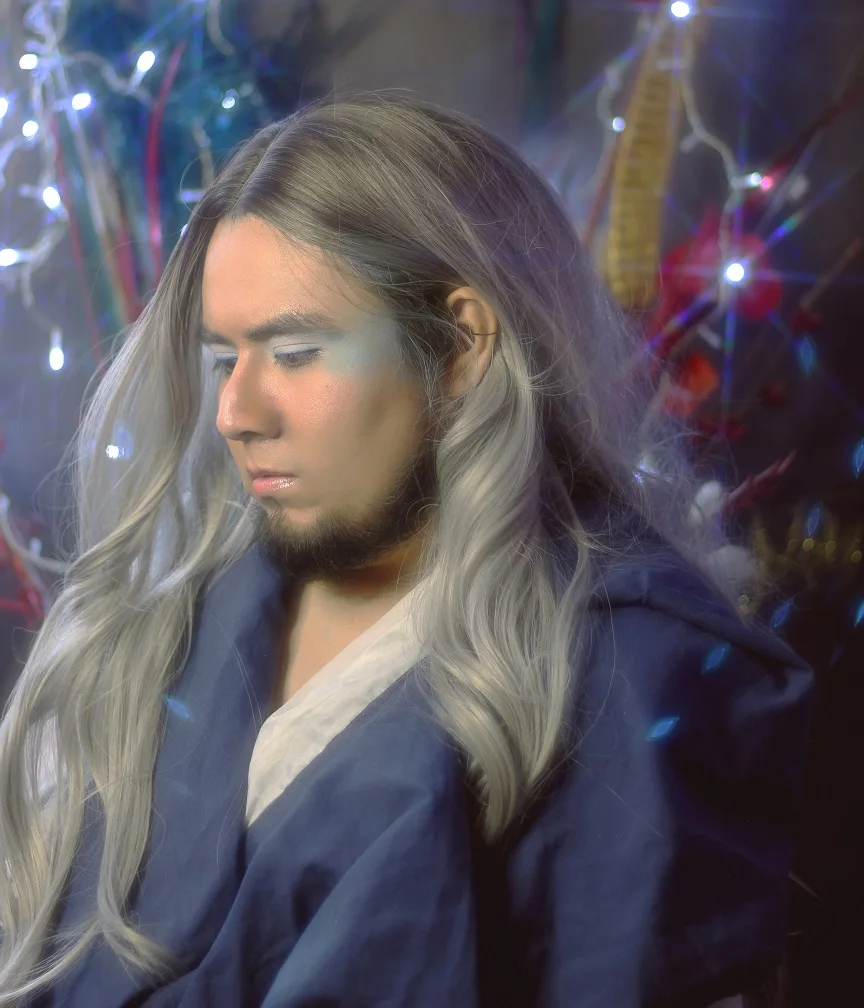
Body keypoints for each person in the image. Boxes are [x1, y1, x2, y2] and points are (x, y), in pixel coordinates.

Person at [0, 95, 810, 1007]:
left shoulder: (634, 682)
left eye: (296, 353)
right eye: (225, 359)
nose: (236, 413)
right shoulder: (165, 623)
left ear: (459, 345)